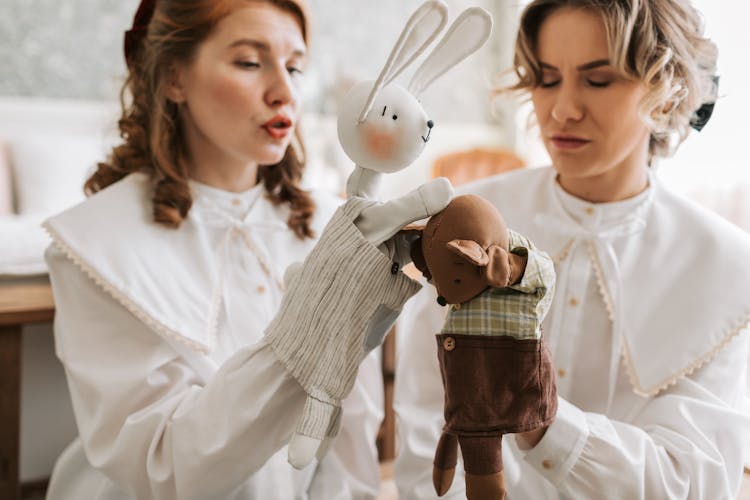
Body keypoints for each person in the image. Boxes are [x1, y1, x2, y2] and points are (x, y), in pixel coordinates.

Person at [42, 0, 440, 498]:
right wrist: (305, 332)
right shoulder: (96, 244)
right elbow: (160, 467)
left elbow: (351, 420)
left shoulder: (333, 223)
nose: (284, 91)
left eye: (295, 67)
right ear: (172, 78)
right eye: (250, 62)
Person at [394, 0, 750, 498]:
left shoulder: (725, 267)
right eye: (545, 78)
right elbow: (423, 420)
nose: (561, 109)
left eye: (598, 79)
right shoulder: (469, 216)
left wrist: (543, 423)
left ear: (667, 94)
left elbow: (693, 480)